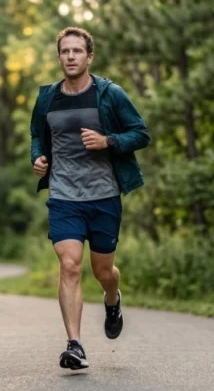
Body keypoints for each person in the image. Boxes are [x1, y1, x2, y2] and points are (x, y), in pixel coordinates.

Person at [29, 27, 150, 370]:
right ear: (59, 57)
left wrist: (108, 141)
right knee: (69, 266)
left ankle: (113, 299)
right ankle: (75, 345)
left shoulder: (110, 94)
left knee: (103, 271)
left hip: (104, 196)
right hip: (64, 196)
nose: (70, 57)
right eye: (65, 51)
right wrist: (37, 158)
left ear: (89, 56)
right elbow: (38, 134)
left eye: (77, 51)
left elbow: (140, 134)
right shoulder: (47, 98)